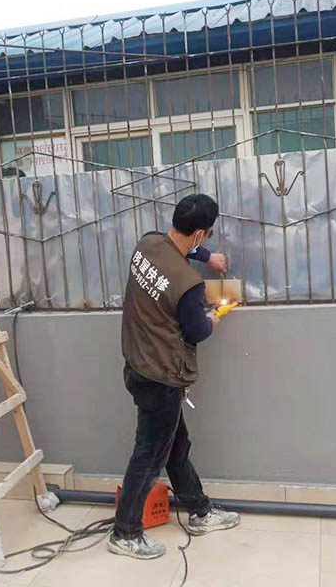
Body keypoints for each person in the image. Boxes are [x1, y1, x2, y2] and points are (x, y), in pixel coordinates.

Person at [108, 193, 241, 560]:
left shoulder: (146, 244)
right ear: (199, 233)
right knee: (150, 454)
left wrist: (206, 256)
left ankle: (199, 510)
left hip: (138, 364)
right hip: (162, 376)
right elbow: (197, 331)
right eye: (208, 235)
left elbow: (177, 248)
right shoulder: (188, 284)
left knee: (175, 446)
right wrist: (212, 317)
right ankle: (125, 533)